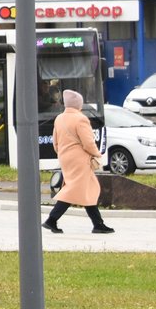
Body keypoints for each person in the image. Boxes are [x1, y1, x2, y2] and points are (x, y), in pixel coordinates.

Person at [45, 89, 114, 234]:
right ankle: (51, 220)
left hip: (65, 158)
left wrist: (64, 153)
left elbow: (55, 143)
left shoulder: (59, 118)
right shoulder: (81, 119)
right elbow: (88, 143)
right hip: (80, 159)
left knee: (85, 189)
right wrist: (97, 154)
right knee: (74, 189)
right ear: (78, 104)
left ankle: (98, 224)